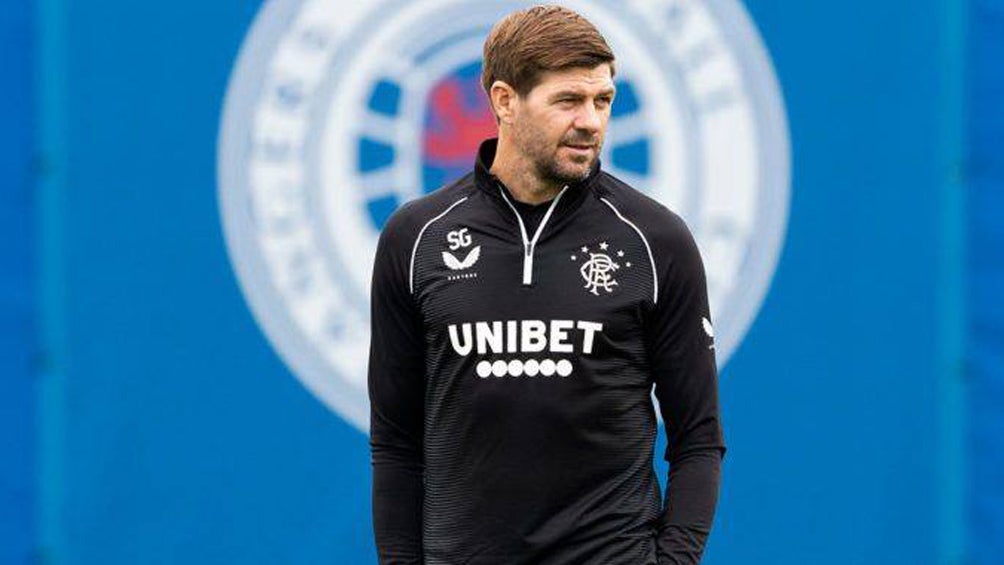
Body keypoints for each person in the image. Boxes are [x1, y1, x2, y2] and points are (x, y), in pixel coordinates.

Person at [368, 5, 726, 564]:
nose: (591, 121)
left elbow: (699, 440)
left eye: (603, 101)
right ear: (505, 101)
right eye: (568, 101)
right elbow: (395, 442)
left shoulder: (655, 241)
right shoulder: (417, 237)